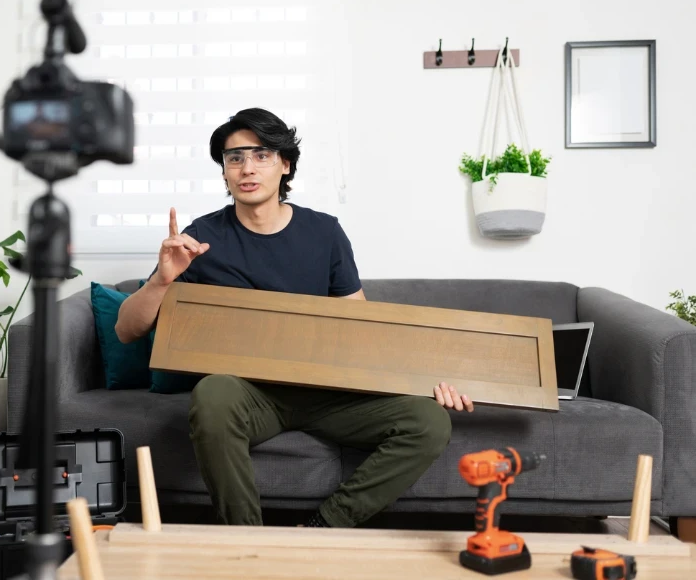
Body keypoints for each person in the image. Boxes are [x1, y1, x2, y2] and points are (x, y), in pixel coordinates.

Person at [115, 107, 473, 529]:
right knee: (212, 395)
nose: (247, 167)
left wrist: (430, 379)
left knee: (428, 421)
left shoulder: (325, 232)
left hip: (330, 393)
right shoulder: (201, 237)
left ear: (285, 165)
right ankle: (247, 543)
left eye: (262, 155)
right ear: (225, 173)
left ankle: (322, 530)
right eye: (235, 158)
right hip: (251, 395)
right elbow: (127, 330)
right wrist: (161, 279)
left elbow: (362, 329)